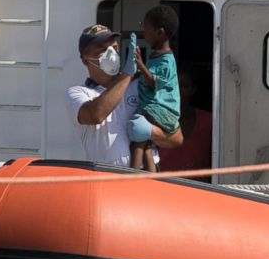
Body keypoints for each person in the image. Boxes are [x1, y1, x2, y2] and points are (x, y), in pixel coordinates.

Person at [66, 24, 182, 167]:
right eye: (102, 49)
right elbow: (96, 115)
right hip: (106, 176)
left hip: (146, 175)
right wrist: (127, 74)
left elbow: (176, 138)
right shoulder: (78, 93)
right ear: (85, 60)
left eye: (114, 48)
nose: (111, 53)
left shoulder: (140, 85)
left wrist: (150, 132)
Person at [127, 5, 181, 172]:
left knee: (137, 138)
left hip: (161, 111)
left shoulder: (166, 60)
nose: (144, 33)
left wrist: (140, 64)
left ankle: (132, 176)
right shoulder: (158, 55)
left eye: (146, 28)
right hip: (156, 110)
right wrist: (137, 74)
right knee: (147, 147)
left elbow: (154, 83)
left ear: (160, 33)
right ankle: (152, 180)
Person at [157, 67, 212, 181]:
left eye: (184, 86)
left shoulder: (209, 121)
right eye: (174, 85)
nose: (178, 91)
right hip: (164, 187)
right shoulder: (158, 120)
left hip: (200, 188)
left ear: (193, 89)